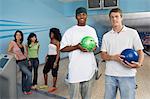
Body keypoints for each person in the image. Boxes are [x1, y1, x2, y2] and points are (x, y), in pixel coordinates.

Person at [100, 8, 144, 99]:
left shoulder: (132, 33)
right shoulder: (106, 36)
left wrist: (139, 63)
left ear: (121, 18)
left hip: (127, 75)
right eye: (112, 17)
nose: (114, 19)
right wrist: (113, 58)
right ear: (110, 19)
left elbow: (140, 51)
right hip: (110, 75)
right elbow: (103, 55)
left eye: (116, 16)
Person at [60, 7, 98, 99]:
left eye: (83, 14)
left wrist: (92, 48)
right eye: (79, 14)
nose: (81, 16)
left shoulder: (91, 30)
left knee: (87, 97)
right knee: (74, 97)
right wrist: (77, 47)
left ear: (86, 16)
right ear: (76, 17)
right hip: (75, 71)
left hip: (89, 70)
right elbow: (62, 48)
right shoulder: (70, 31)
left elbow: (96, 46)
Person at [8, 30, 32, 95]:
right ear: (15, 36)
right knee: (29, 74)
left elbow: (26, 54)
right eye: (16, 35)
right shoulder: (12, 42)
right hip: (20, 62)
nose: (18, 36)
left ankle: (24, 89)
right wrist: (14, 55)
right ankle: (27, 89)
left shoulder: (23, 44)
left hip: (26, 61)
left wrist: (29, 60)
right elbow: (9, 51)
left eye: (19, 35)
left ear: (21, 36)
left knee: (24, 76)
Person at [41, 28, 61, 92]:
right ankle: (45, 84)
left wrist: (56, 62)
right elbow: (50, 49)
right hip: (49, 57)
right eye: (50, 33)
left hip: (55, 57)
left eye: (52, 33)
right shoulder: (51, 40)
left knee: (54, 72)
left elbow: (58, 53)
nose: (51, 34)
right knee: (45, 71)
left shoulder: (57, 42)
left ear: (55, 34)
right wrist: (47, 55)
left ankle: (54, 86)